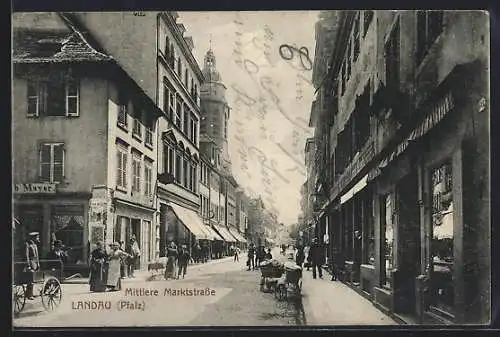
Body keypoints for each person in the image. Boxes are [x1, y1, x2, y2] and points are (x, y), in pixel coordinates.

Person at [25, 232, 40, 300]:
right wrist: (28, 265)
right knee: (30, 279)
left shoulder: (35, 245)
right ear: (33, 238)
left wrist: (38, 263)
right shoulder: (27, 244)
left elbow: (37, 256)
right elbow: (26, 255)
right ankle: (29, 294)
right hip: (31, 263)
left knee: (33, 279)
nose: (38, 238)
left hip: (35, 263)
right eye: (37, 237)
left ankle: (30, 293)